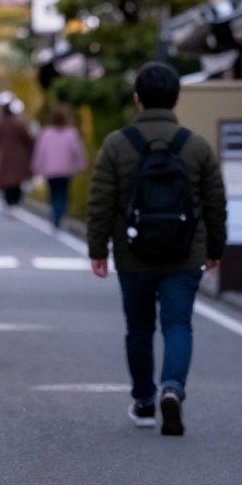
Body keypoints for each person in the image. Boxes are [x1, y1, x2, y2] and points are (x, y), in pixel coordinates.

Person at [87, 60, 227, 437]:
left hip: (134, 253)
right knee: (178, 323)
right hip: (185, 253)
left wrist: (97, 249)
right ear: (177, 99)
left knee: (139, 328)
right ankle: (173, 388)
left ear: (137, 99)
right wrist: (215, 247)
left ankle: (145, 401)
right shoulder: (195, 146)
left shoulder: (118, 144)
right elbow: (215, 203)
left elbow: (101, 200)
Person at [32, 106, 88, 229]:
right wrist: (80, 164)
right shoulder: (71, 133)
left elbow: (40, 152)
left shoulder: (47, 133)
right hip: (65, 169)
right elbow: (77, 151)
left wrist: (37, 166)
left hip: (50, 169)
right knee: (63, 193)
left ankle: (55, 214)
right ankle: (60, 214)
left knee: (53, 192)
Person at [0, 96, 35, 208]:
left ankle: (9, 201)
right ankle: (14, 201)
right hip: (19, 156)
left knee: (7, 179)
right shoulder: (19, 123)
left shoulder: (0, 123)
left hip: (5, 155)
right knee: (17, 180)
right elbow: (28, 139)